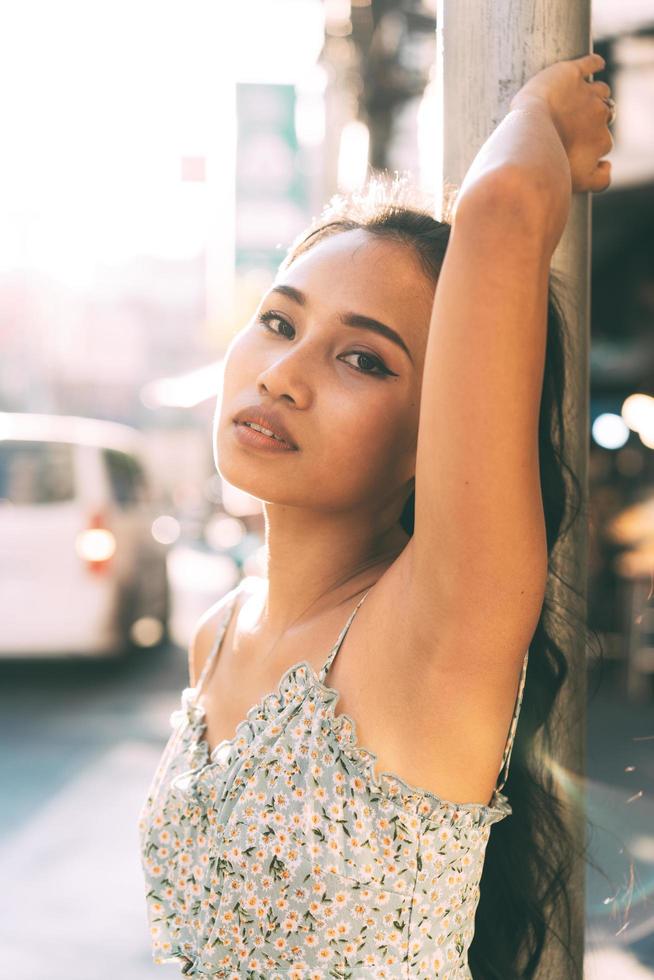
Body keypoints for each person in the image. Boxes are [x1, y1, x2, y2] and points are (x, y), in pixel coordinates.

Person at [138, 52, 613, 979]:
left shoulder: (439, 628)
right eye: (279, 321)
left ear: (434, 439)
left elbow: (502, 208)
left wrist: (543, 104)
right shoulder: (219, 633)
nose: (283, 372)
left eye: (364, 360)